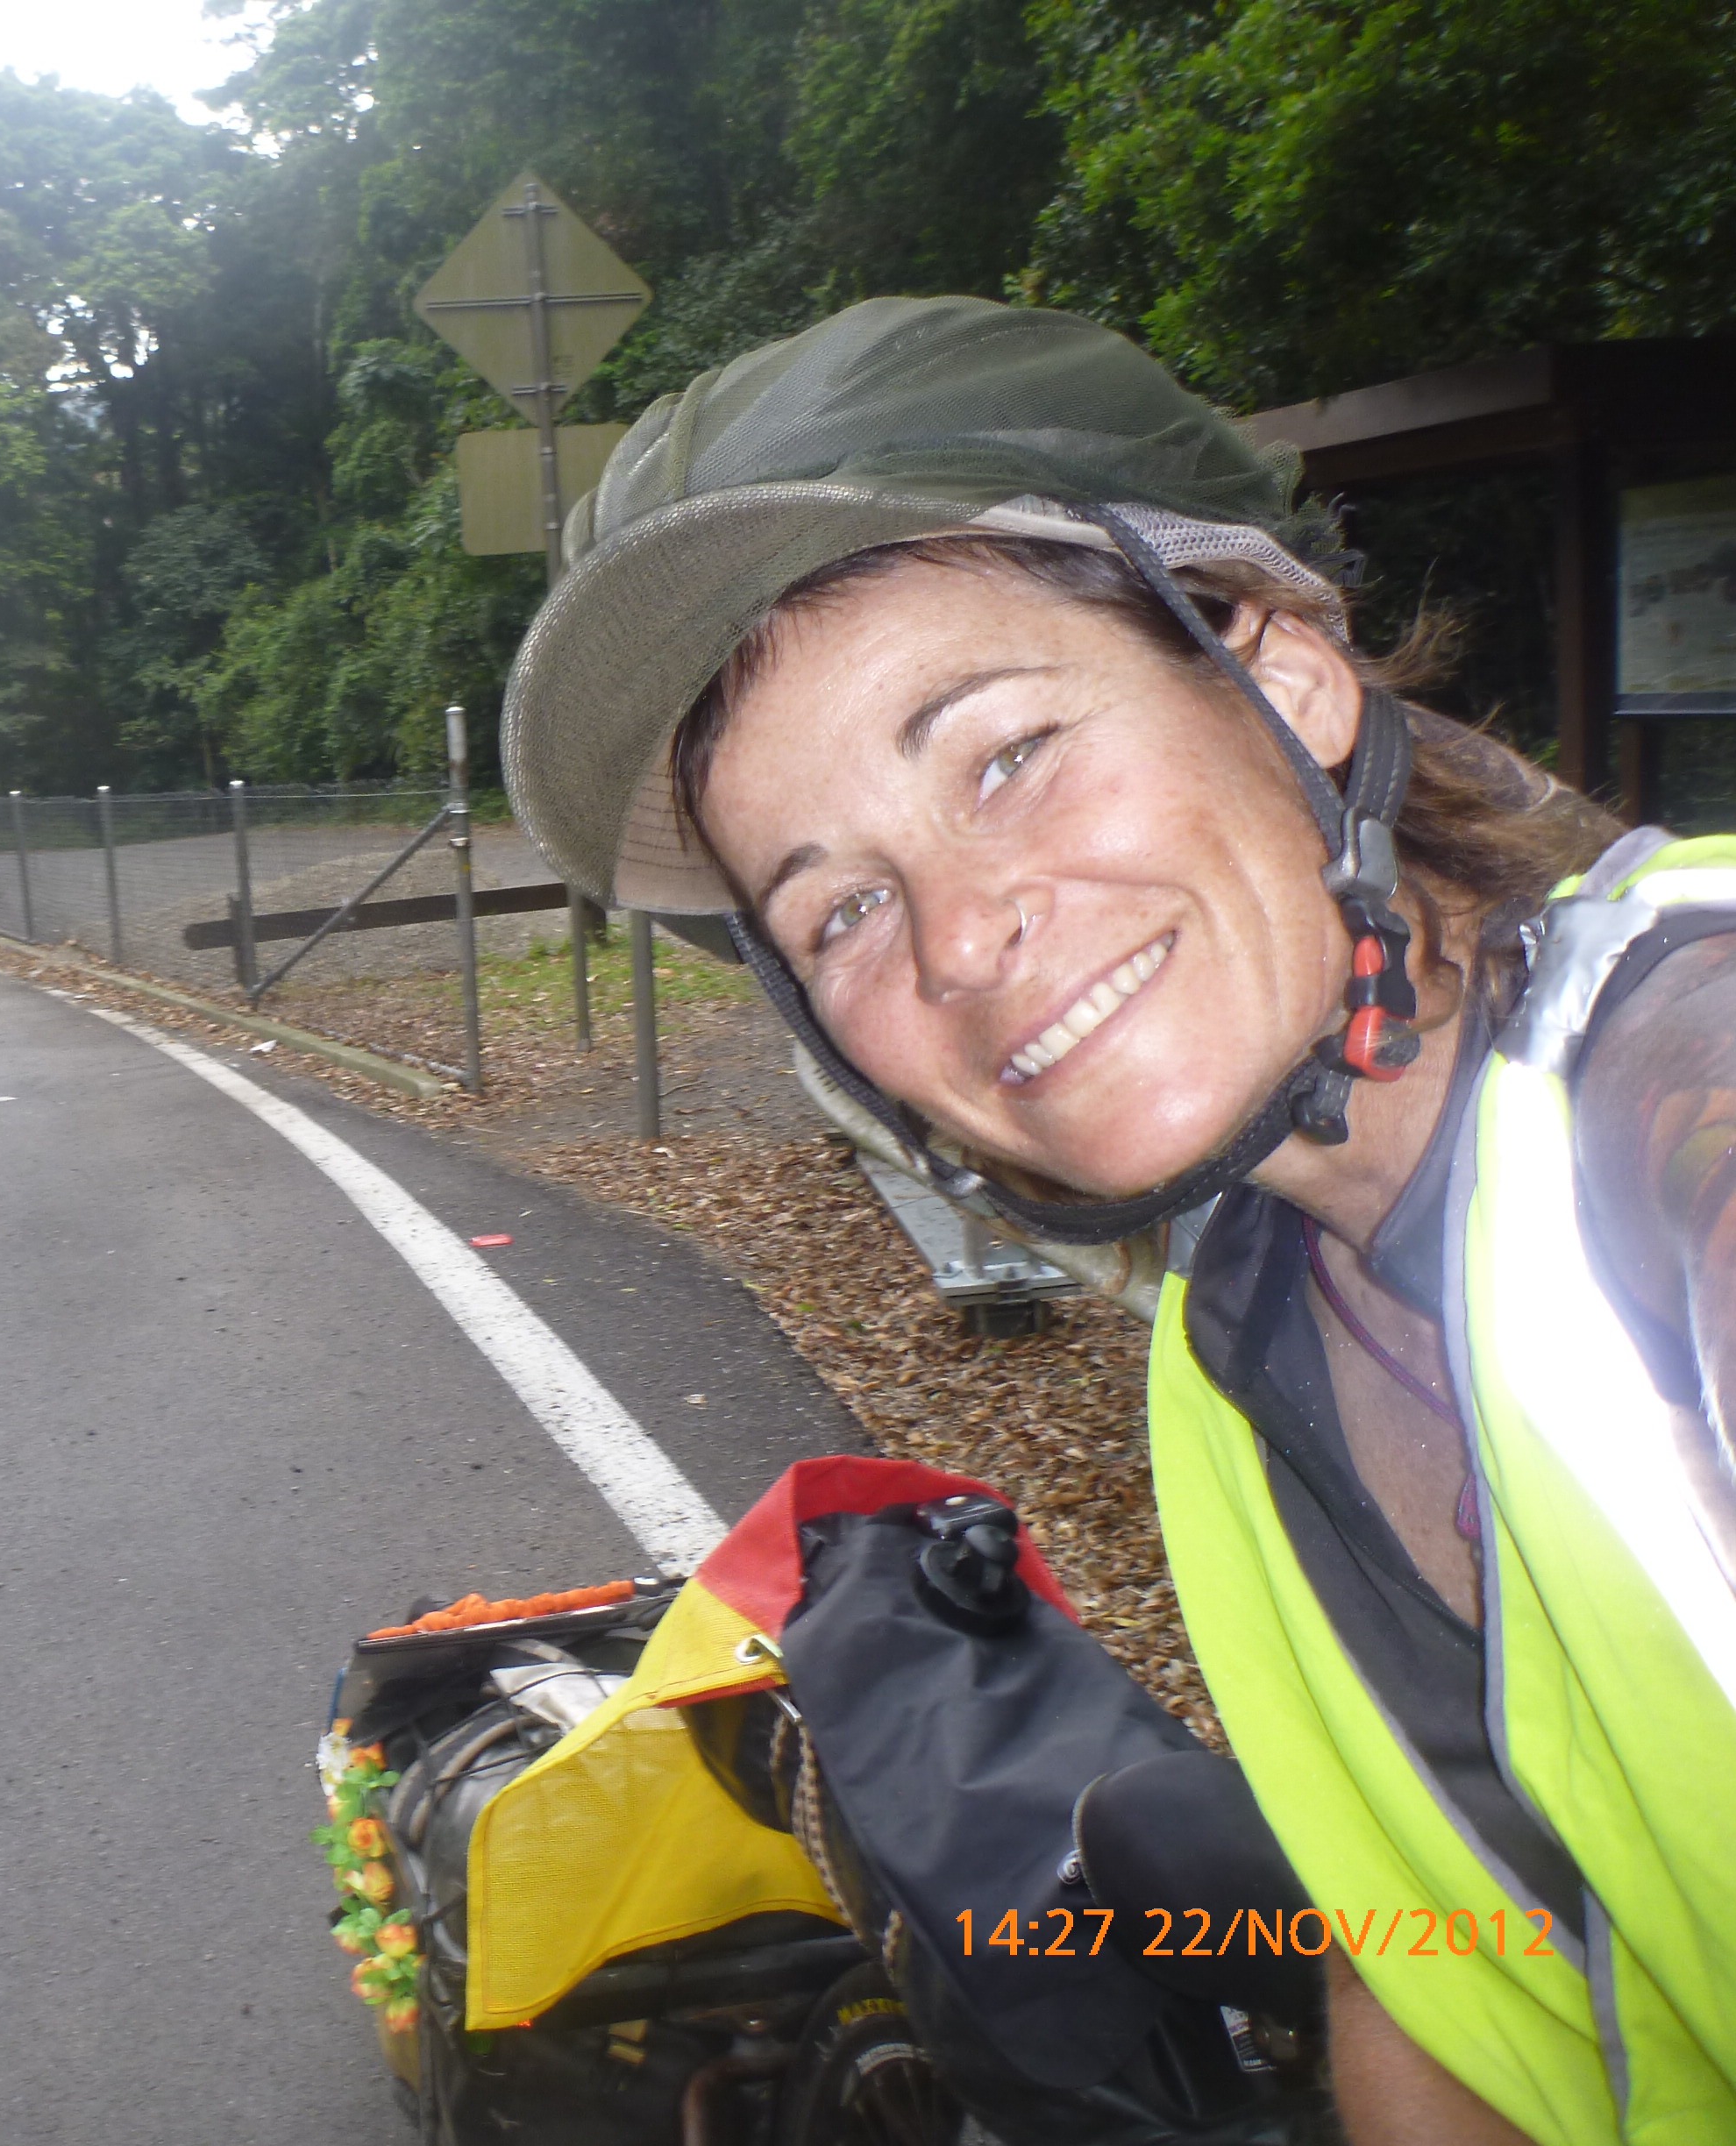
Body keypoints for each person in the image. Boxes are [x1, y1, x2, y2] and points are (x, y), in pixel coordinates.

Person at [501, 295, 1736, 2146]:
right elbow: (1432, 1968)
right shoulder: (1237, 1337)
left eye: (1005, 754)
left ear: (1283, 677)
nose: (957, 937)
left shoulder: (1681, 1107)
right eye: (841, 909)